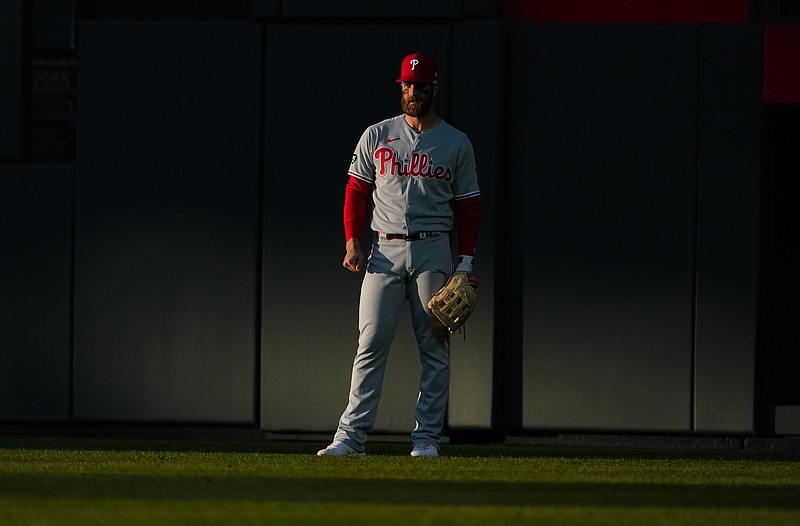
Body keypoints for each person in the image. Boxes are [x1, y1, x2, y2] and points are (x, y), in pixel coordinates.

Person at [317, 52, 481, 458]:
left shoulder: (456, 142)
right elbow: (356, 190)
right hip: (383, 251)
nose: (411, 92)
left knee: (435, 348)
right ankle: (351, 438)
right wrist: (352, 239)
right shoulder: (377, 134)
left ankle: (426, 439)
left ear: (433, 89)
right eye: (406, 85)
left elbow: (469, 206)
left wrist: (466, 262)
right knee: (370, 342)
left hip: (432, 249)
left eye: (419, 86)